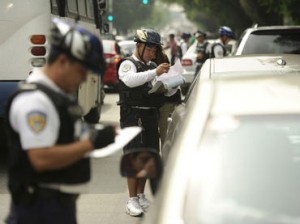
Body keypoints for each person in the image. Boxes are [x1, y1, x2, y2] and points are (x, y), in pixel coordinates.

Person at [4, 18, 116, 224]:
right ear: (63, 61)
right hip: (39, 211)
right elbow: (41, 158)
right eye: (82, 71)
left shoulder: (55, 97)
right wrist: (91, 142)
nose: (83, 79)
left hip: (55, 207)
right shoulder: (35, 101)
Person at [117, 28, 170, 217]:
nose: (152, 53)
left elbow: (152, 86)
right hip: (133, 116)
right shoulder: (128, 64)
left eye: (154, 50)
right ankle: (131, 200)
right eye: (149, 49)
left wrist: (168, 83)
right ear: (138, 46)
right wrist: (154, 71)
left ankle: (140, 195)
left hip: (149, 116)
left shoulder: (149, 66)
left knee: (149, 156)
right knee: (134, 157)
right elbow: (130, 81)